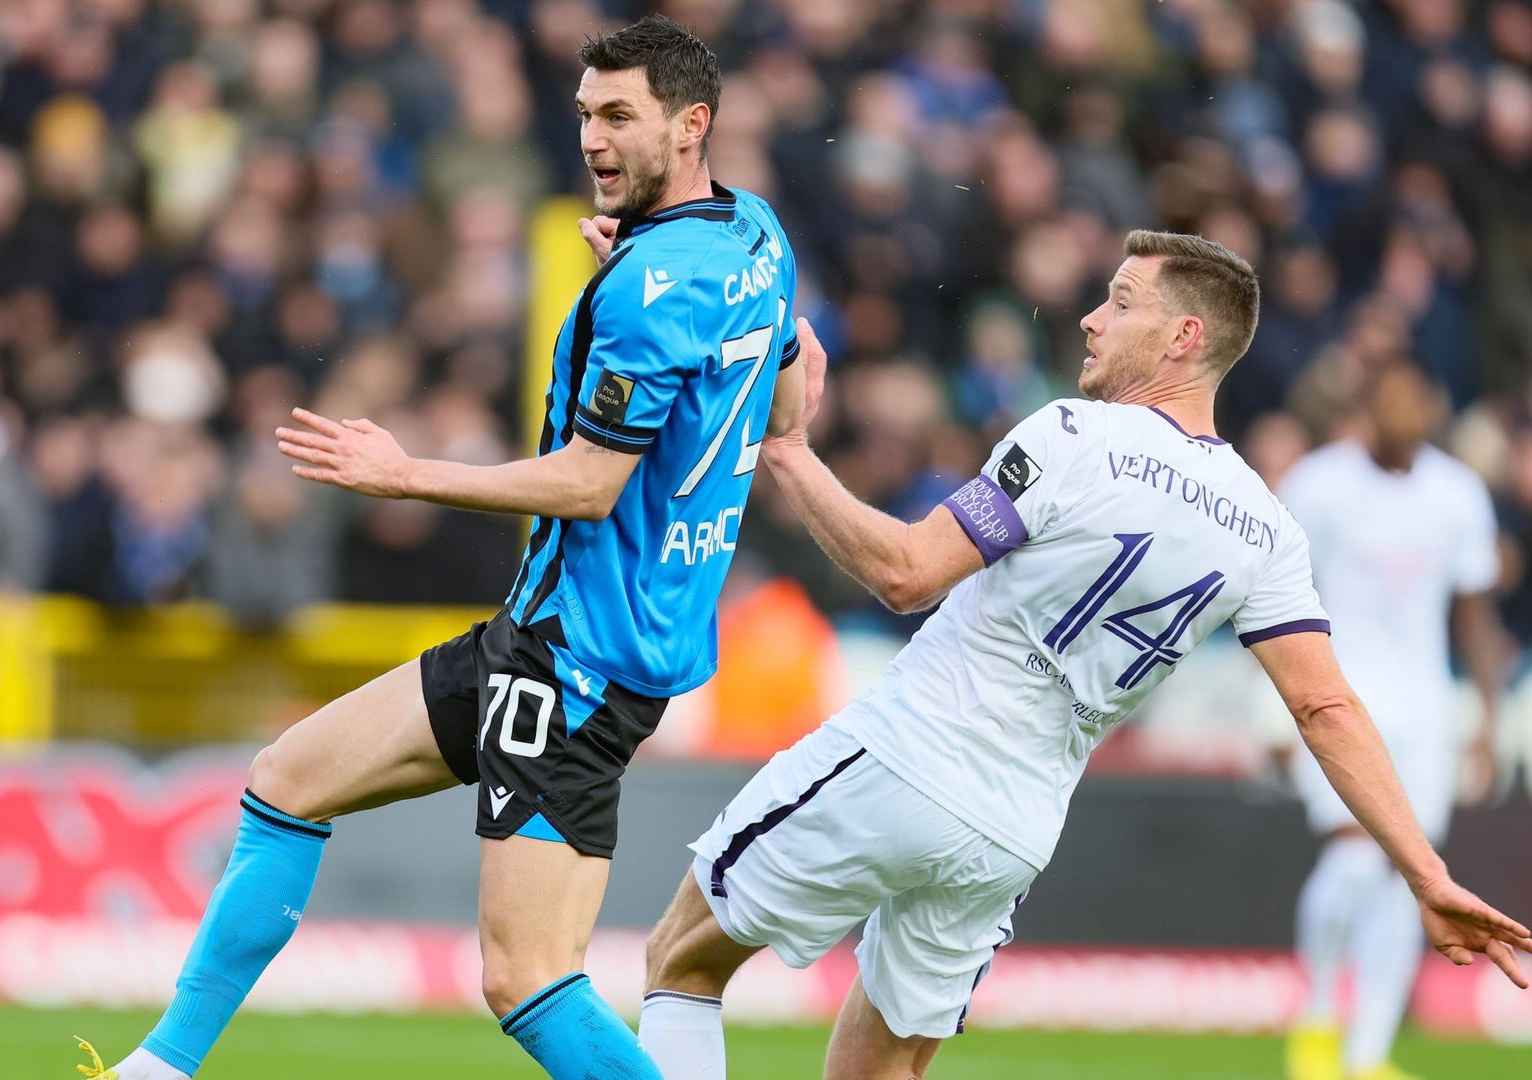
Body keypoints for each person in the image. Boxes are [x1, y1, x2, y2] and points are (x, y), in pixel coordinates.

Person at [77, 16, 803, 1079]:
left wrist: (402, 470)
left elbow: (590, 487)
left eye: (618, 117)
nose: (593, 140)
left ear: (692, 125)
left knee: (528, 982)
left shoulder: (655, 289)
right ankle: (161, 1067)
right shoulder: (754, 235)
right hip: (555, 639)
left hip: (579, 663)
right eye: (585, 116)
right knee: (287, 779)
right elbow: (791, 393)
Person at [631, 231, 1532, 1080]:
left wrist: (785, 452)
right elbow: (1325, 708)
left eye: (1121, 302)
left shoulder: (1072, 435)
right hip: (1013, 832)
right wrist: (1427, 872)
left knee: (683, 960)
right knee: (888, 1068)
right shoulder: (1267, 527)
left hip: (907, 756)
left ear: (1183, 337)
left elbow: (907, 575)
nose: (1090, 320)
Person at [1279, 360, 1514, 1080]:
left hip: (1424, 713)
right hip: (1339, 702)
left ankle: (1366, 1056)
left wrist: (1485, 718)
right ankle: (1316, 1024)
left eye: (1416, 400)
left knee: (1411, 883)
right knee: (1352, 862)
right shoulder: (1317, 485)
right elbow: (1273, 598)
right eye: (1390, 399)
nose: (1404, 413)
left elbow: (1474, 617)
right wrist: (1275, 703)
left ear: (1434, 408)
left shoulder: (1458, 493)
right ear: (1365, 404)